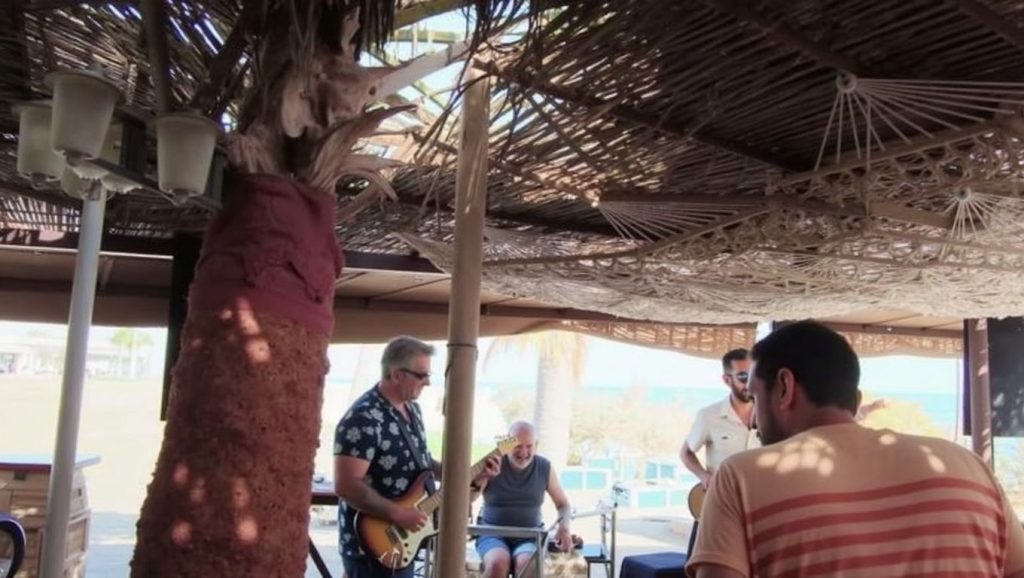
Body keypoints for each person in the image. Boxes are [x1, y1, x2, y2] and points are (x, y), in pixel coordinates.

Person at [687, 321, 1024, 578]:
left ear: (785, 387)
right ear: (854, 399)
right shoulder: (968, 467)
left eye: (756, 396)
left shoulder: (741, 478)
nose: (755, 418)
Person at [333, 335, 499, 578]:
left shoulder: (413, 410)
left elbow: (423, 464)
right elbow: (346, 485)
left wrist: (474, 473)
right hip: (371, 547)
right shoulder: (363, 418)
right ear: (396, 375)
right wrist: (397, 514)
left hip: (404, 542)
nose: (428, 383)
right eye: (422, 375)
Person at [472, 421, 574, 578]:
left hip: (530, 536)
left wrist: (564, 528)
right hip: (492, 534)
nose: (523, 452)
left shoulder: (544, 467)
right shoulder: (493, 463)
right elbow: (467, 500)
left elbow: (563, 504)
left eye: (529, 446)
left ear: (536, 446)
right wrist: (482, 477)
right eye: (518, 446)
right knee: (497, 564)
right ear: (506, 444)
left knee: (527, 564)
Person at [680, 348, 759, 490]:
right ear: (727, 380)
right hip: (723, 496)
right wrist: (704, 476)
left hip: (761, 496)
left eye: (754, 375)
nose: (749, 383)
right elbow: (686, 453)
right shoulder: (708, 416)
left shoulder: (769, 415)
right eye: (743, 377)